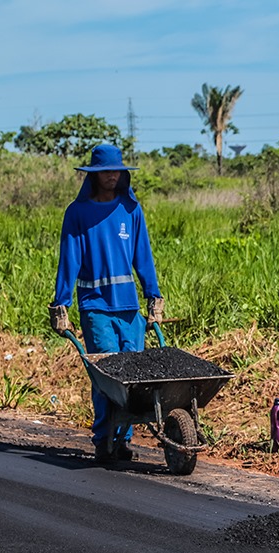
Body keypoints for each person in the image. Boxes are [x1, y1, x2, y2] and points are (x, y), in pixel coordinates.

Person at [48, 144, 164, 463]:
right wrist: (61, 305)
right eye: (105, 172)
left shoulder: (130, 209)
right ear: (93, 176)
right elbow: (68, 261)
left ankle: (124, 438)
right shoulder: (78, 213)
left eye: (116, 171)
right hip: (95, 306)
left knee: (132, 375)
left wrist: (154, 296)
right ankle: (104, 438)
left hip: (129, 309)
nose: (112, 176)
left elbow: (144, 258)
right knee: (105, 373)